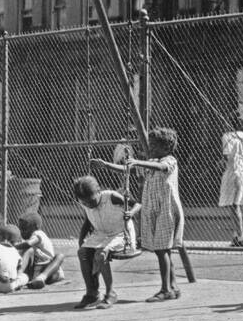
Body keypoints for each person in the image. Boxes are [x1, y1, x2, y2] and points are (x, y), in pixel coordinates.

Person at [128, 126, 186, 301]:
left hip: (166, 211)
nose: (150, 148)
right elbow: (130, 170)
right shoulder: (152, 161)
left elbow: (161, 167)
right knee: (164, 251)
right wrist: (108, 165)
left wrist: (138, 162)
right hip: (154, 210)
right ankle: (173, 286)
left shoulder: (170, 160)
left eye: (154, 145)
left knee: (162, 250)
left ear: (166, 147)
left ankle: (165, 289)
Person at [73, 175, 137, 309]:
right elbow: (87, 220)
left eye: (91, 201)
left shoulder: (111, 197)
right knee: (82, 252)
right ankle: (92, 293)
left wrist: (131, 213)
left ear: (98, 191)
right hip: (101, 234)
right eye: (85, 203)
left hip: (121, 233)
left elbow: (137, 204)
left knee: (101, 254)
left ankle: (110, 293)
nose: (89, 205)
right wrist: (81, 237)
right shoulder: (85, 202)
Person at [219, 112, 243, 247]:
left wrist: (221, 164)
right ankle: (236, 236)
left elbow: (226, 157)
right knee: (234, 204)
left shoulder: (227, 137)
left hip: (233, 172)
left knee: (234, 205)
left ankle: (241, 237)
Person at [16, 212, 66, 289]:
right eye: (20, 229)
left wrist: (14, 247)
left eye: (25, 229)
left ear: (36, 227)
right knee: (27, 251)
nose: (22, 232)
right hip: (36, 271)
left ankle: (41, 278)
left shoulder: (38, 233)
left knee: (60, 256)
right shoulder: (26, 239)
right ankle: (22, 278)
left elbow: (29, 244)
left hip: (49, 269)